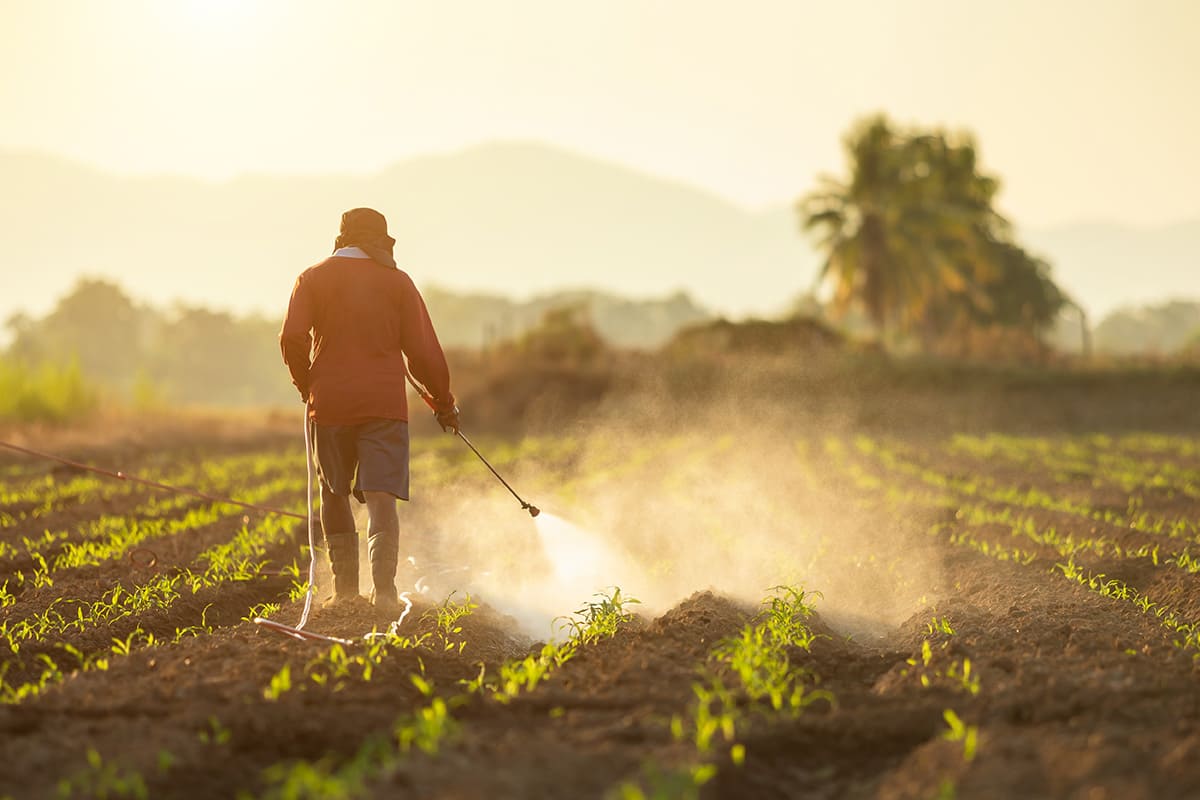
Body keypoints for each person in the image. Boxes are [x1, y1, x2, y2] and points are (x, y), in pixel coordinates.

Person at [280, 207, 459, 616]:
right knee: (381, 500)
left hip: (329, 404)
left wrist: (307, 385)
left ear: (342, 238)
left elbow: (291, 338)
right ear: (380, 241)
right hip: (383, 405)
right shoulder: (397, 282)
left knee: (334, 491)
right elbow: (423, 353)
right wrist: (444, 403)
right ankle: (384, 593)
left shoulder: (311, 278)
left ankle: (344, 593)